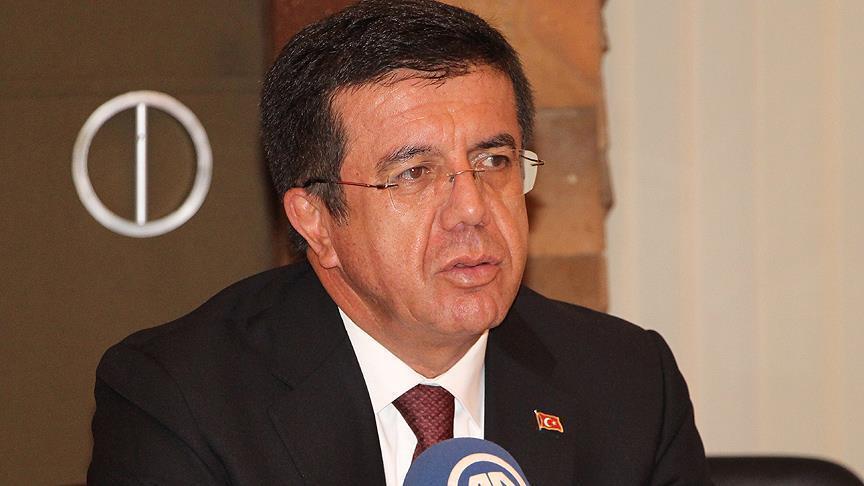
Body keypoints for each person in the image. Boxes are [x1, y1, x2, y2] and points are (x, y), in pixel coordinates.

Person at [88, 1, 710, 484]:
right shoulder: (184, 399)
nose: (472, 209)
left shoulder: (627, 385)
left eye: (493, 161)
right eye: (414, 173)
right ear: (316, 221)